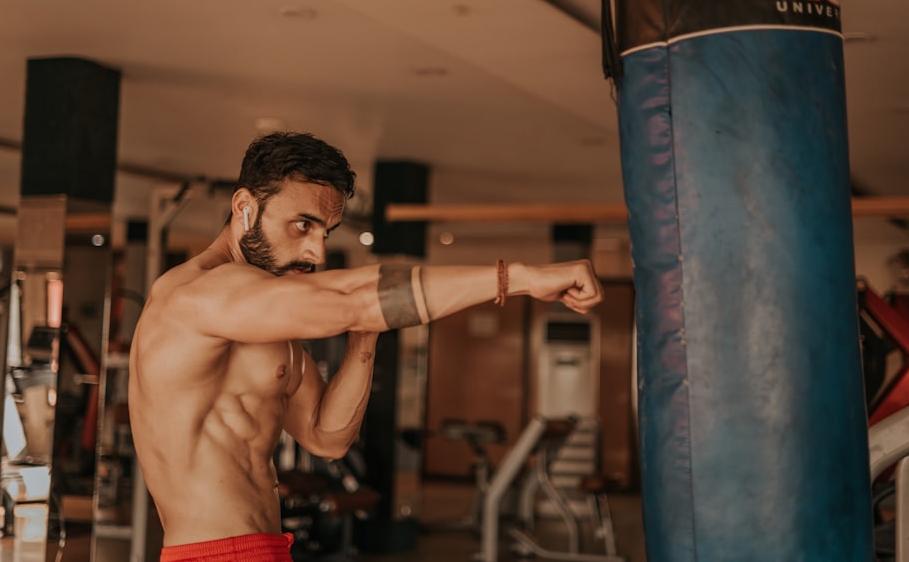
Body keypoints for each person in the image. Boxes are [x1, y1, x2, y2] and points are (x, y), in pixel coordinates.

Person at [128, 131, 604, 561]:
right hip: (212, 553)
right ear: (244, 207)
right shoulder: (195, 295)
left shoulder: (266, 323)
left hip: (269, 546)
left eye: (324, 233)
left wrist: (365, 334)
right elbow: (348, 296)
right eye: (302, 225)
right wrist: (520, 278)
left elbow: (326, 437)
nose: (315, 252)